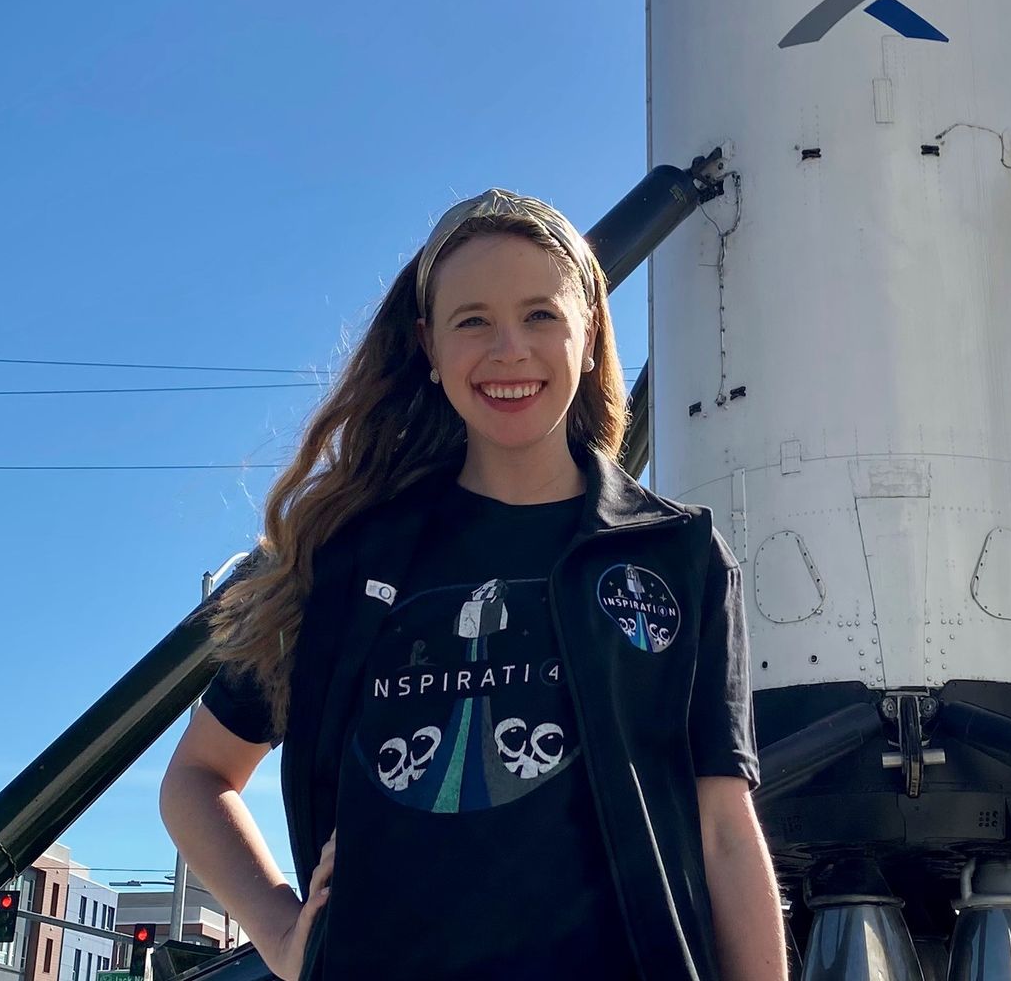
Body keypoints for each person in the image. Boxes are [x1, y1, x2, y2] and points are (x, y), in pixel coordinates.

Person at [159, 188, 786, 981]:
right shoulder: (349, 558)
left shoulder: (677, 554)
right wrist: (283, 935)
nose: (508, 350)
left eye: (541, 316)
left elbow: (724, 828)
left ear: (590, 333)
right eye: (472, 321)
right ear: (428, 345)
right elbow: (197, 778)